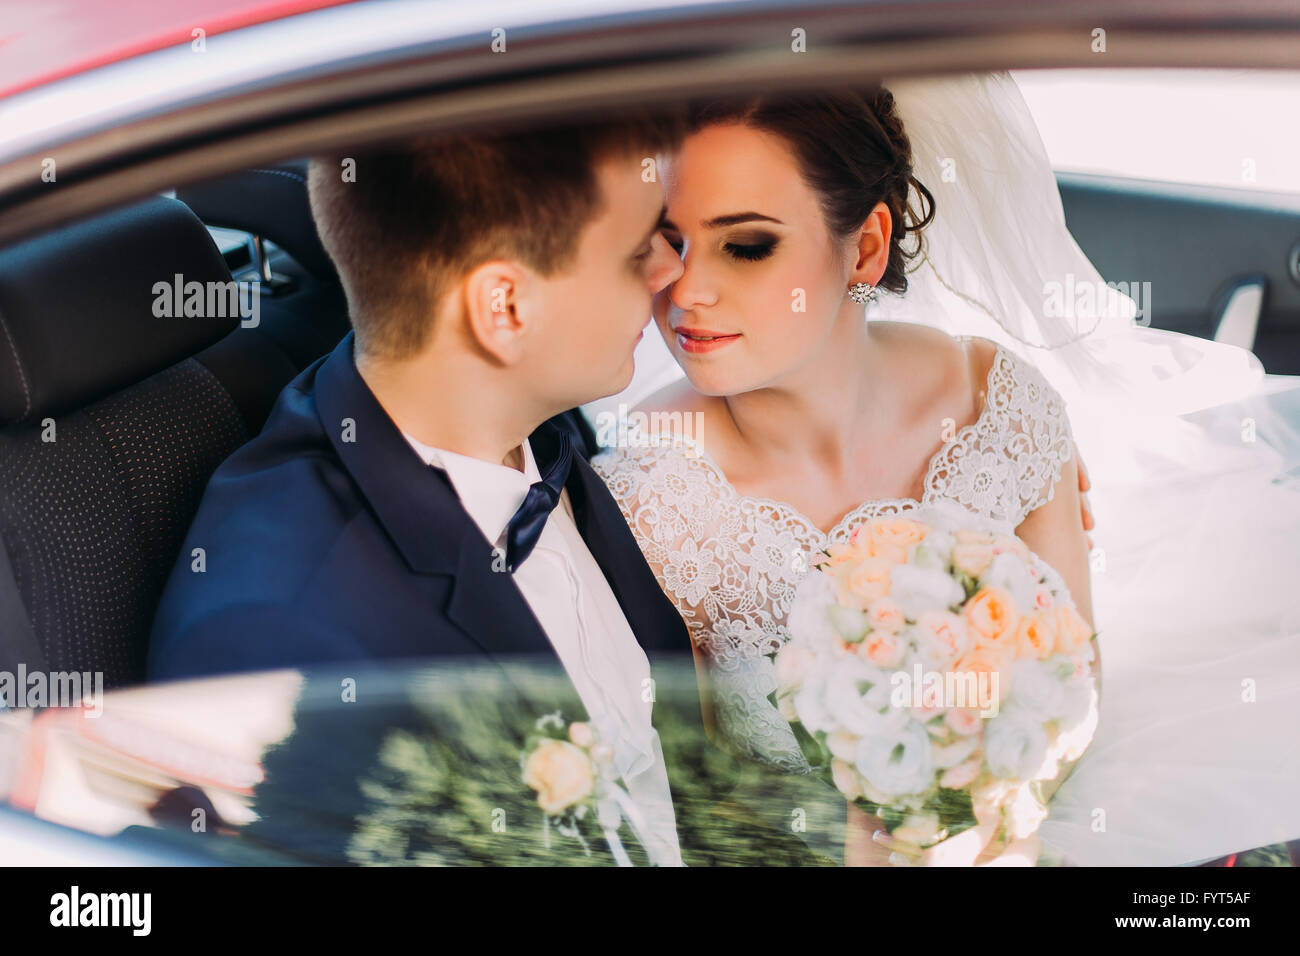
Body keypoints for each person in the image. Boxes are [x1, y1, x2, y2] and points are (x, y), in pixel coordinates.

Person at [591, 72, 1300, 866]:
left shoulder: (993, 407)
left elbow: (1074, 678)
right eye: (667, 242)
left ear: (864, 244)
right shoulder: (647, 497)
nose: (685, 289)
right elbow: (684, 791)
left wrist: (987, 819)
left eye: (746, 245)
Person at [148, 114, 699, 865]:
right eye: (640, 249)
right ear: (504, 309)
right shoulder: (282, 647)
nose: (672, 266)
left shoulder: (535, 422)